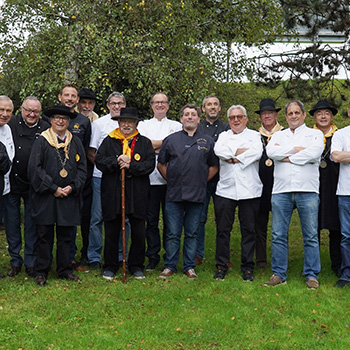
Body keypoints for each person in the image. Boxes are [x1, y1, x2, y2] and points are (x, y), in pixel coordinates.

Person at [264, 100, 324, 289]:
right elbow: (270, 151)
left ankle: (312, 274)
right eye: (290, 113)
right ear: (286, 116)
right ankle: (279, 273)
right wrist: (296, 151)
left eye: (297, 112)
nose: (294, 116)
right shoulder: (278, 135)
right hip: (281, 190)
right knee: (278, 234)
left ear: (304, 115)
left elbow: (314, 154)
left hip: (308, 190)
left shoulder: (315, 134)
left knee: (311, 235)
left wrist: (287, 158)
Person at [28, 105, 87, 286]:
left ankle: (64, 269)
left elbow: (83, 168)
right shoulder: (42, 140)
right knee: (44, 235)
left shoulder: (75, 141)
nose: (60, 121)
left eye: (64, 118)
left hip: (69, 196)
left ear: (69, 121)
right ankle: (41, 271)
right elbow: (34, 169)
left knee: (66, 235)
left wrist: (72, 187)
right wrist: (53, 187)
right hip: (46, 195)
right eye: (56, 118)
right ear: (51, 120)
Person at [157, 104, 218, 279]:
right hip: (174, 194)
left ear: (199, 118)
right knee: (172, 232)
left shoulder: (207, 141)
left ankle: (189, 266)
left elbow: (214, 166)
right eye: (186, 115)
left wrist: (201, 181)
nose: (190, 117)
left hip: (197, 194)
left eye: (193, 114)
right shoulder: (171, 140)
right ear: (181, 119)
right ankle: (170, 265)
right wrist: (172, 179)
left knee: (192, 232)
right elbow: (161, 164)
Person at [95, 107, 155, 280]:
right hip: (113, 192)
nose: (126, 125)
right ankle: (110, 266)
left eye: (130, 122)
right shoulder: (109, 140)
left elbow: (149, 165)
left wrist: (131, 166)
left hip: (138, 193)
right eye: (123, 122)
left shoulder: (144, 143)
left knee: (138, 231)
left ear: (136, 123)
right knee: (112, 230)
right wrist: (117, 161)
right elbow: (100, 161)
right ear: (118, 123)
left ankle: (136, 265)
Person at [213, 105, 263, 281]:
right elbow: (219, 151)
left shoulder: (255, 136)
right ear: (228, 120)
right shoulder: (223, 136)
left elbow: (257, 152)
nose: (236, 120)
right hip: (225, 190)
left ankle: (248, 267)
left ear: (246, 119)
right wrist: (242, 155)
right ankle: (221, 265)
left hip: (249, 190)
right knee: (223, 230)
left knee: (248, 230)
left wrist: (233, 157)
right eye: (233, 117)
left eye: (239, 117)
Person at [5, 96, 50, 278]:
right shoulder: (11, 124)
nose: (32, 114)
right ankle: (15, 261)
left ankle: (31, 261)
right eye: (28, 110)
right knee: (12, 224)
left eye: (36, 111)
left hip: (34, 185)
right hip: (13, 182)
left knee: (32, 225)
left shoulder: (46, 127)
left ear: (40, 112)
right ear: (21, 109)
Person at [137, 92, 182, 271]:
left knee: (172, 222)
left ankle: (170, 258)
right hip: (149, 181)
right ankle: (152, 256)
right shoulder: (143, 125)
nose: (160, 105)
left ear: (168, 106)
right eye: (156, 102)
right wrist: (165, 144)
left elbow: (176, 148)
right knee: (151, 221)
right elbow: (143, 145)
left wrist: (156, 146)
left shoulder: (177, 125)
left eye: (163, 102)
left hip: (171, 181)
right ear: (151, 105)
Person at [87, 92, 130, 269]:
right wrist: (106, 167)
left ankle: (121, 256)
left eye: (120, 103)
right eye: (113, 103)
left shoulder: (132, 123)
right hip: (101, 177)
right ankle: (94, 256)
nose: (116, 106)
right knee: (97, 217)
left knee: (123, 218)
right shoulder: (98, 124)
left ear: (125, 104)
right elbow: (92, 152)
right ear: (107, 105)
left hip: (125, 178)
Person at [58, 84, 91, 271]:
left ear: (77, 100)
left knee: (71, 222)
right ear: (60, 97)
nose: (70, 98)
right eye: (67, 95)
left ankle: (70, 259)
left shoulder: (83, 121)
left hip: (75, 181)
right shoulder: (49, 118)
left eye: (73, 96)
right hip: (53, 181)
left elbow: (85, 153)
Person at [195, 95, 229, 266]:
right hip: (201, 178)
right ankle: (197, 254)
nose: (213, 107)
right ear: (203, 109)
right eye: (209, 104)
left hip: (223, 179)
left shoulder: (227, 127)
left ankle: (223, 257)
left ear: (220, 108)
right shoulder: (197, 127)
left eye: (216, 104)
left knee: (222, 220)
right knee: (199, 218)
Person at [309, 100, 341, 277]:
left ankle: (337, 264)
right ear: (314, 116)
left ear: (332, 116)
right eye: (319, 113)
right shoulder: (308, 135)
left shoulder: (339, 135)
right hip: (313, 185)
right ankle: (313, 266)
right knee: (312, 228)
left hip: (335, 185)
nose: (323, 116)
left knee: (336, 227)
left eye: (327, 113)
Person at [254, 98, 283, 269]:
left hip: (280, 185)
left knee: (280, 227)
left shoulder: (285, 133)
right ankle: (261, 260)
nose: (267, 116)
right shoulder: (255, 136)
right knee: (259, 226)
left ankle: (280, 259)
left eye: (270, 113)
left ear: (276, 115)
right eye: (264, 113)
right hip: (259, 185)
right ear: (260, 117)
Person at [330, 117, 350, 287]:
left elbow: (343, 155)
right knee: (346, 236)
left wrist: (347, 155)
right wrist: (342, 155)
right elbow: (336, 156)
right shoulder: (341, 134)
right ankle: (346, 274)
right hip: (345, 192)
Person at [0, 96, 14, 278]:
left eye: (8, 111)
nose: (4, 114)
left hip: (3, 188)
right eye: (1, 110)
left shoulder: (7, 129)